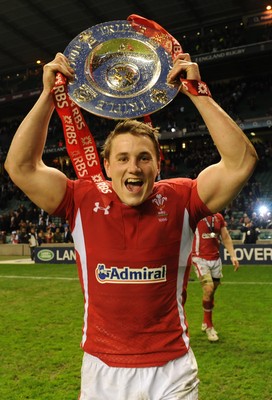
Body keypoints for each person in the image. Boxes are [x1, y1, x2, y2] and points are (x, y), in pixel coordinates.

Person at [4, 52, 258, 399]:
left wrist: (198, 92)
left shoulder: (182, 198)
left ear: (158, 165)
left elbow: (241, 162)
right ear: (107, 165)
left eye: (144, 158)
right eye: (122, 158)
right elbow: (20, 167)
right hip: (102, 369)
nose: (133, 168)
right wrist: (48, 96)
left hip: (171, 369)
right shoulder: (81, 199)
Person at [191, 213, 239, 342]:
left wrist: (233, 256)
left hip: (215, 259)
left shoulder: (218, 217)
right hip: (199, 258)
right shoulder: (195, 213)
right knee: (208, 289)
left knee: (211, 293)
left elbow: (225, 237)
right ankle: (209, 327)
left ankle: (205, 321)